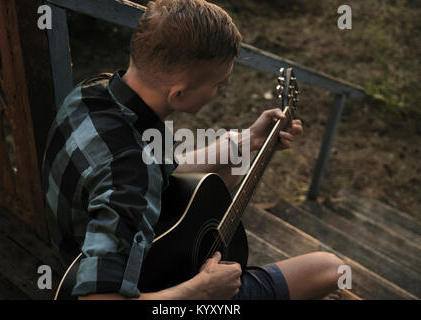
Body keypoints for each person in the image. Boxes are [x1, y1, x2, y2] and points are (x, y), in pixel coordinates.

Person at [41, 0, 344, 300]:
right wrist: (200, 290)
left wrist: (249, 140)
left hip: (93, 254)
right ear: (179, 93)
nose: (221, 90)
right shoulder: (130, 179)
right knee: (329, 269)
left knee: (215, 181)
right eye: (219, 86)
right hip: (147, 288)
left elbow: (153, 168)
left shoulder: (94, 93)